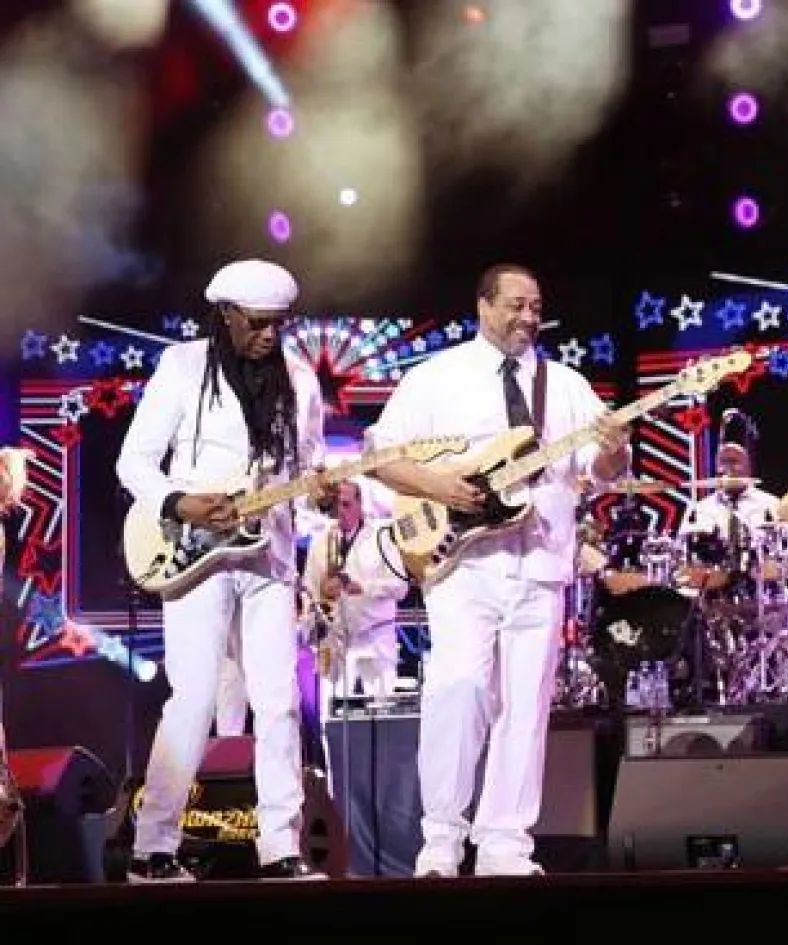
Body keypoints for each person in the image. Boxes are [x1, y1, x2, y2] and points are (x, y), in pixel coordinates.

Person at [366, 263, 630, 877]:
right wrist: (440, 487)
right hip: (464, 564)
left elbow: (601, 472)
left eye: (536, 306)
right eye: (516, 305)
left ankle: (505, 844)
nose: (528, 317)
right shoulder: (437, 377)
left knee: (524, 708)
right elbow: (380, 458)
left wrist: (614, 449)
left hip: (540, 562)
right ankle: (441, 840)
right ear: (483, 307)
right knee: (459, 690)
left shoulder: (565, 385)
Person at [116, 258, 332, 882]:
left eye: (279, 324)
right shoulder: (182, 367)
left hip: (269, 555)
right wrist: (180, 502)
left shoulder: (300, 379)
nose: (270, 335)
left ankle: (281, 845)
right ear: (227, 315)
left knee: (279, 701)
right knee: (193, 698)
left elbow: (307, 467)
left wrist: (318, 495)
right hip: (195, 553)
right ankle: (153, 847)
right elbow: (134, 462)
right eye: (258, 323)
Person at [678, 441, 788, 643]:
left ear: (749, 468)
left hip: (762, 590)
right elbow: (683, 557)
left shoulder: (773, 505)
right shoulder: (700, 509)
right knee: (681, 605)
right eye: (723, 462)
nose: (727, 468)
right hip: (713, 591)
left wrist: (774, 569)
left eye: (734, 461)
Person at [303, 478, 409, 719]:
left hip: (375, 636)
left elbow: (401, 587)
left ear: (360, 504)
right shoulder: (320, 541)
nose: (341, 512)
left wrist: (363, 587)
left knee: (382, 715)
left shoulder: (382, 537)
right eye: (336, 505)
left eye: (346, 504)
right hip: (335, 640)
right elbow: (309, 589)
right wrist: (313, 621)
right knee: (329, 719)